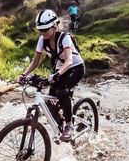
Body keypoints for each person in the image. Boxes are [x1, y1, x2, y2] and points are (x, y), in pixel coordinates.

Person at [18, 9, 85, 141]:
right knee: (49, 102)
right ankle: (60, 126)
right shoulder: (42, 40)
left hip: (75, 68)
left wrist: (57, 75)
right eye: (40, 30)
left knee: (61, 90)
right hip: (61, 70)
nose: (42, 33)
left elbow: (69, 61)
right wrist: (24, 74)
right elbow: (35, 61)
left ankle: (69, 125)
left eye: (45, 29)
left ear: (54, 26)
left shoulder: (64, 38)